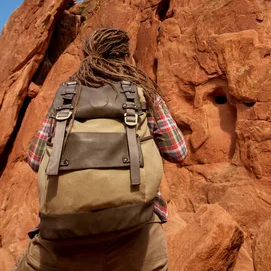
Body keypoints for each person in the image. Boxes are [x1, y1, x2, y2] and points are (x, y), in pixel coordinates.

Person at [14, 28, 188, 271]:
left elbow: (34, 159)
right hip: (137, 236)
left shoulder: (66, 95)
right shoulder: (144, 93)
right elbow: (178, 151)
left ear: (88, 56)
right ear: (126, 57)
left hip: (63, 238)